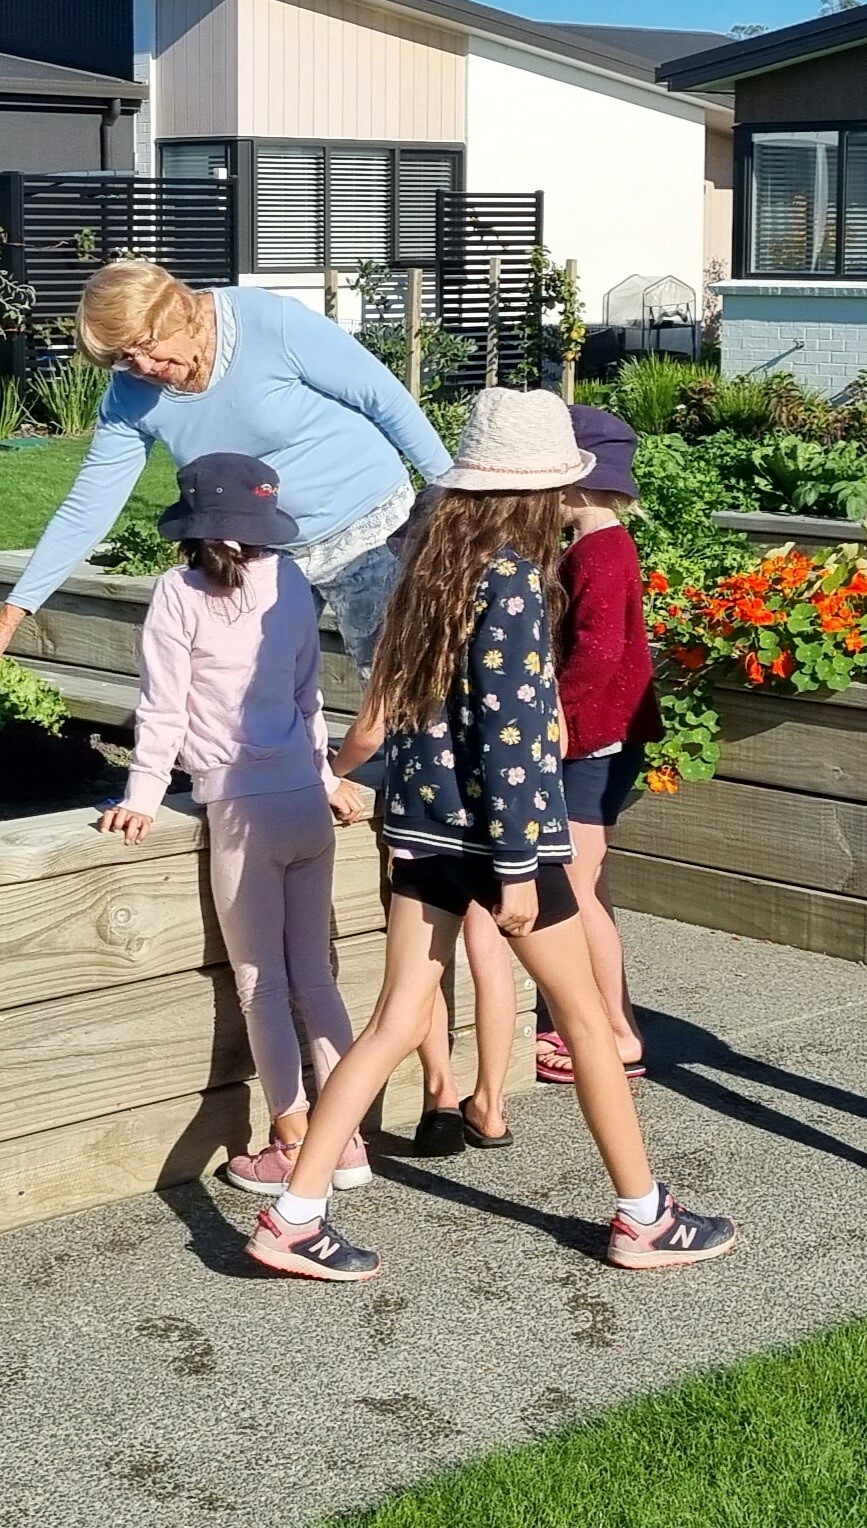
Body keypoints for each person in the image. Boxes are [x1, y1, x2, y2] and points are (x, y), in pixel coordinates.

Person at [246, 389, 740, 1282]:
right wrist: (519, 870)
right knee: (588, 1020)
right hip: (498, 840)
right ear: (542, 489)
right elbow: (512, 739)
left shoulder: (425, 566)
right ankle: (642, 1215)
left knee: (395, 1019)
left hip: (421, 828)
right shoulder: (513, 579)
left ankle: (294, 1212)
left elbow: (402, 712)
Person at [0, 260, 451, 684]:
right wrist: (12, 614)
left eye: (147, 344)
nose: (143, 366)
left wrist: (455, 501)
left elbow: (383, 399)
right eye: (123, 359)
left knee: (397, 681)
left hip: (370, 528)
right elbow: (89, 505)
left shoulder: (269, 322)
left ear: (177, 310)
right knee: (243, 687)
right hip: (259, 551)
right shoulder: (130, 397)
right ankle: (293, 789)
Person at [95, 453, 364, 1196]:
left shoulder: (178, 592)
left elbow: (163, 705)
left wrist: (144, 797)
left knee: (259, 984)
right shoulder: (292, 583)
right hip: (306, 805)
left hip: (239, 805)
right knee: (317, 972)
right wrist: (326, 778)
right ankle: (346, 1142)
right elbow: (310, 696)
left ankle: (289, 1133)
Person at [538, 405, 660, 1085]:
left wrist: (552, 725)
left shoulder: (599, 551)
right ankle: (610, 1021)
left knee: (575, 888)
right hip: (600, 738)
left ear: (574, 481)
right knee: (591, 885)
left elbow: (596, 653)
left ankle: (608, 1031)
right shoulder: (596, 546)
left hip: (590, 742)